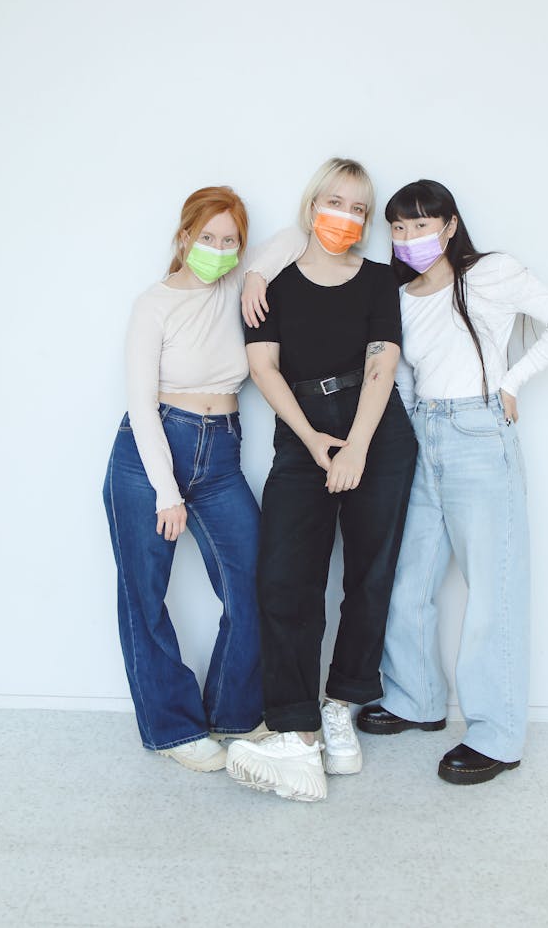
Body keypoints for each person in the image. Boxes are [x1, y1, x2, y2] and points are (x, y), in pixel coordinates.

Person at [357, 179, 548, 784]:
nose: (409, 238)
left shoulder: (491, 274)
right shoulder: (402, 295)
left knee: (494, 589)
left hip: (479, 434)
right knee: (410, 577)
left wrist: (512, 382)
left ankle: (496, 735)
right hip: (425, 434)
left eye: (420, 225)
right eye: (398, 229)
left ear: (450, 225)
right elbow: (403, 373)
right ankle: (416, 699)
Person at [226, 159, 418, 802]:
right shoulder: (268, 286)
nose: (346, 215)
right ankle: (296, 732)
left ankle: (341, 707)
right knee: (286, 578)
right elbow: (264, 369)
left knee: (370, 574)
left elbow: (381, 363)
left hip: (376, 430)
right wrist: (315, 443)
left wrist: (356, 446)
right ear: (312, 206)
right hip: (301, 427)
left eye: (359, 207)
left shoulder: (380, 281)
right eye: (335, 201)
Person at [103, 186, 306, 772]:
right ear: (184, 236)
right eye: (208, 237)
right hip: (151, 453)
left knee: (253, 583)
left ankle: (234, 716)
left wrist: (255, 275)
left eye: (231, 240)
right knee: (144, 594)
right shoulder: (154, 303)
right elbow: (140, 405)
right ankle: (172, 731)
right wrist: (166, 491)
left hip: (221, 457)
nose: (219, 249)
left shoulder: (233, 291)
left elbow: (296, 235)